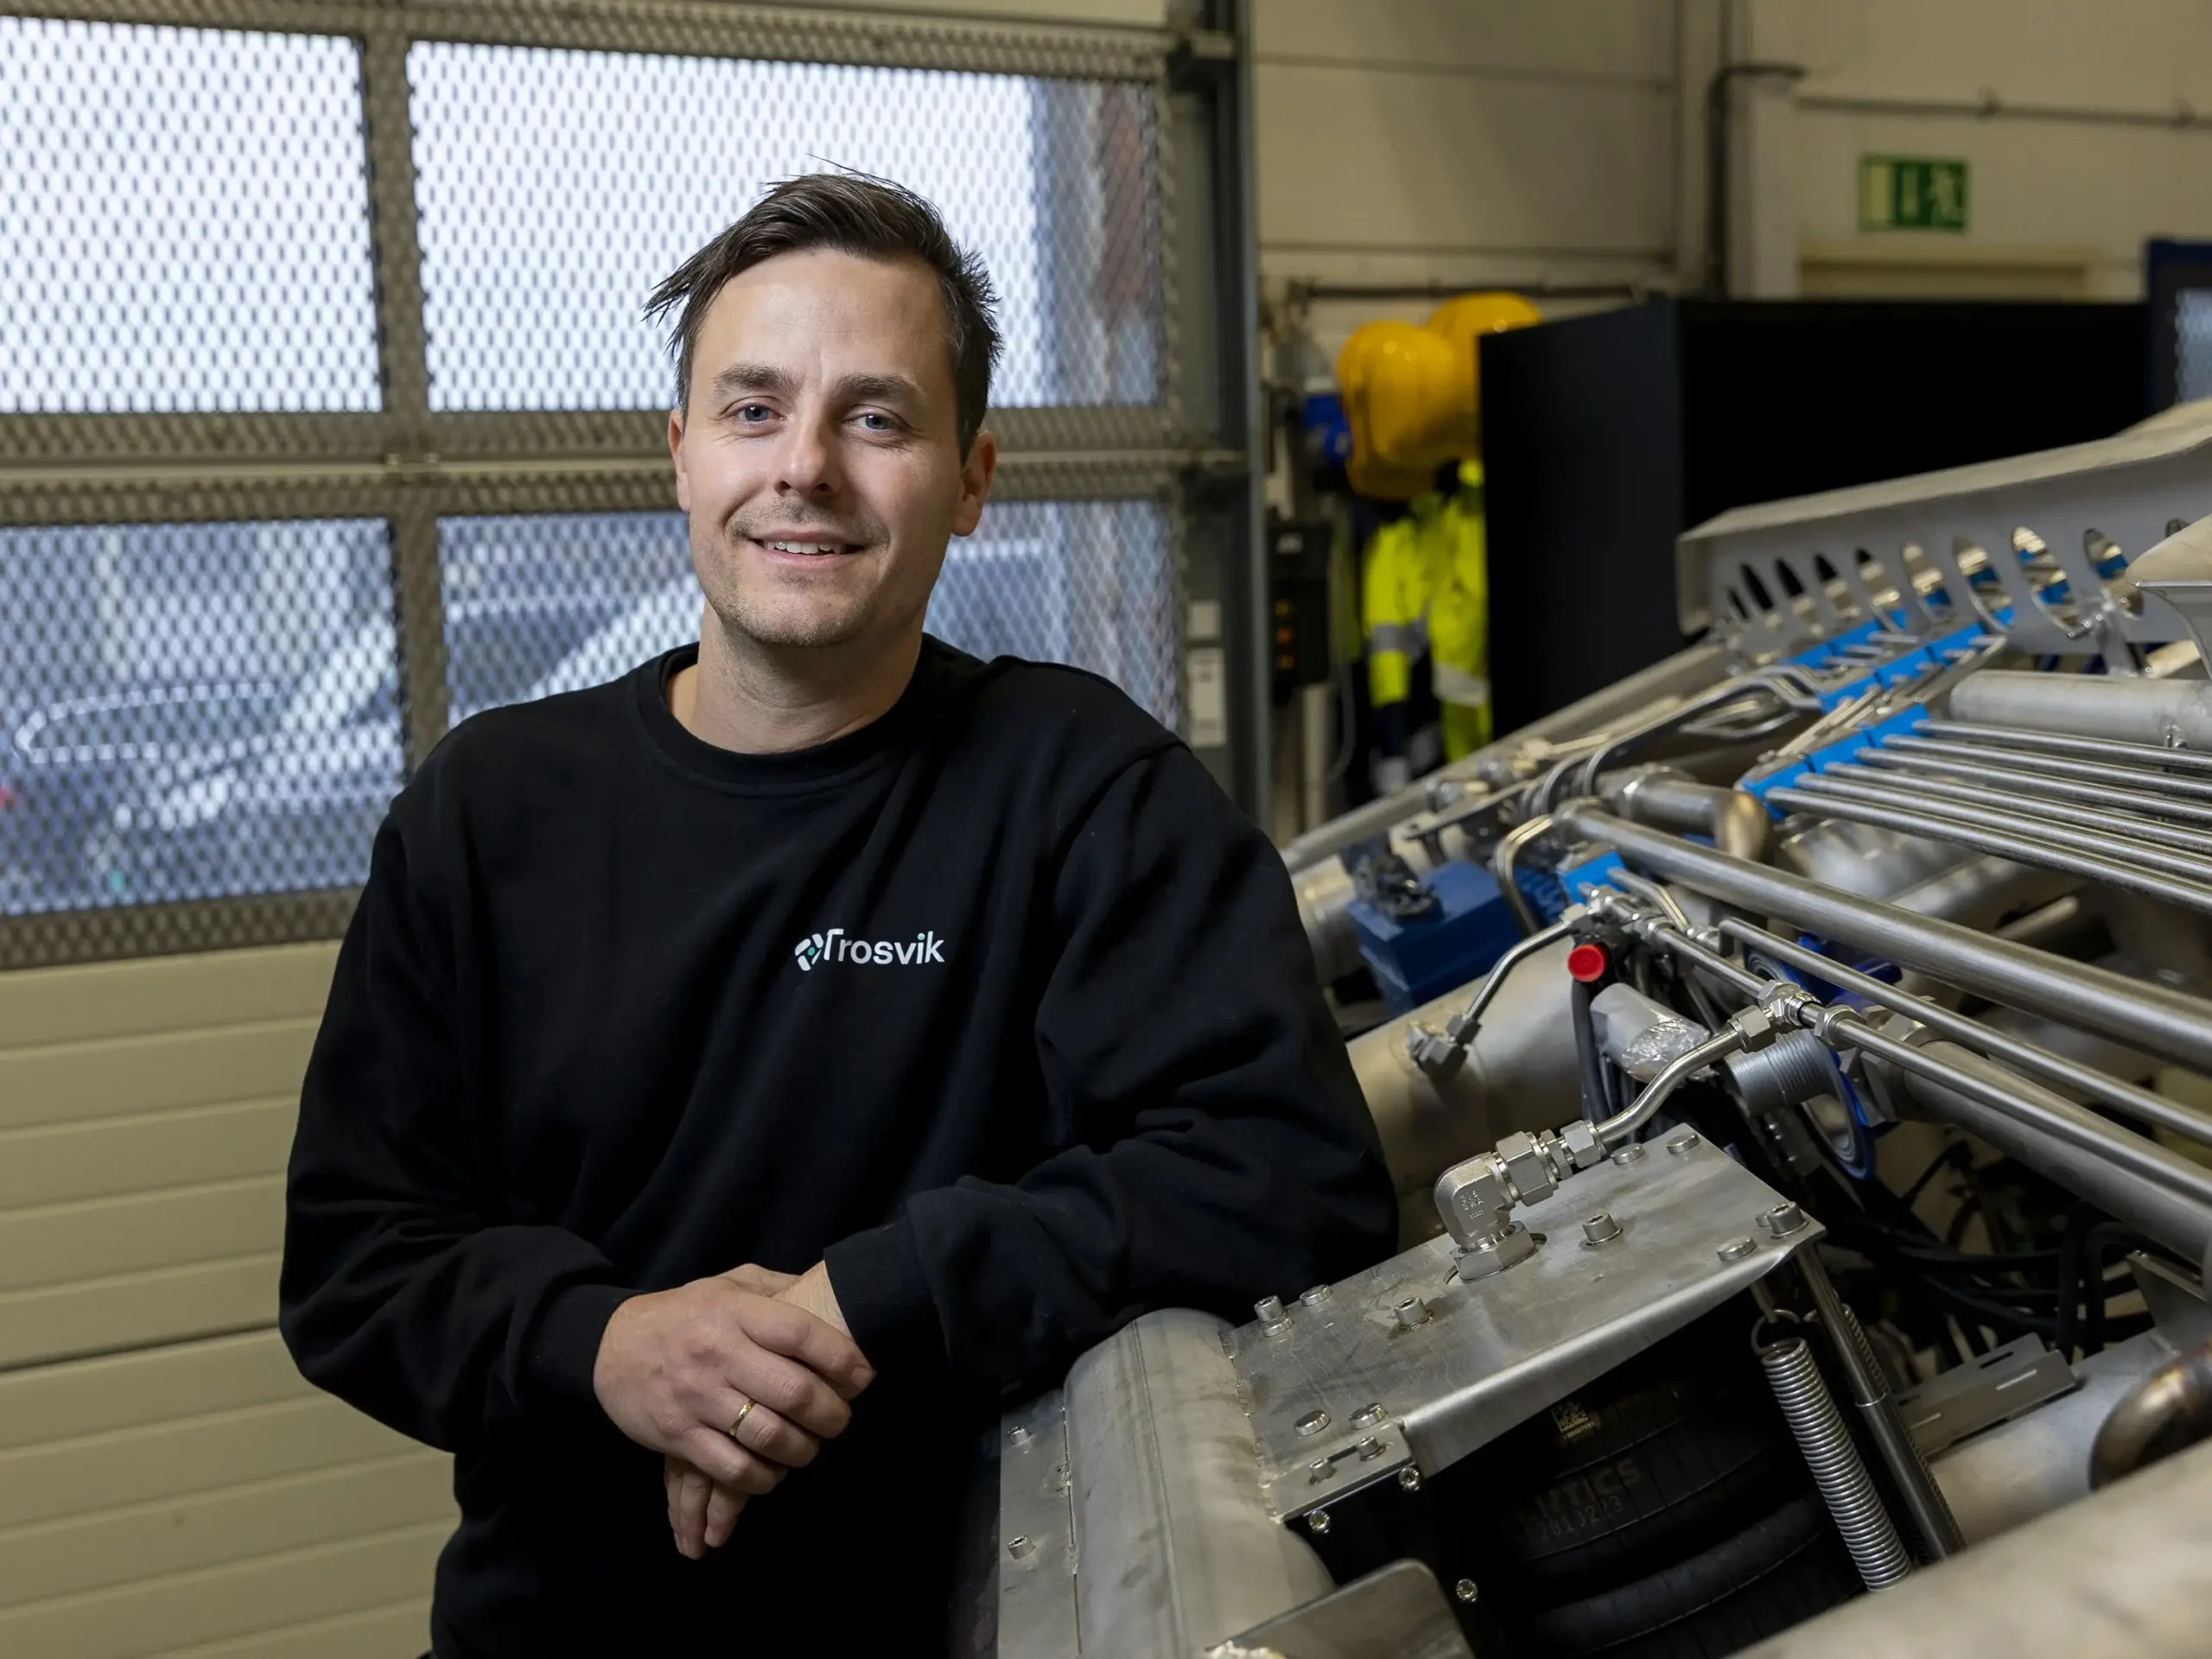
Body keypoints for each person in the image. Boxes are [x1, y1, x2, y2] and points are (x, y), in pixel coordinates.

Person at [279, 172, 1396, 1656]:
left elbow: (1285, 1176)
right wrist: (605, 1344)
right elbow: (357, 1256)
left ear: (973, 473)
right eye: (753, 410)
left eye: (876, 417)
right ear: (678, 457)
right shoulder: (489, 814)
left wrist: (873, 1298)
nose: (804, 466)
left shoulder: (1081, 792)